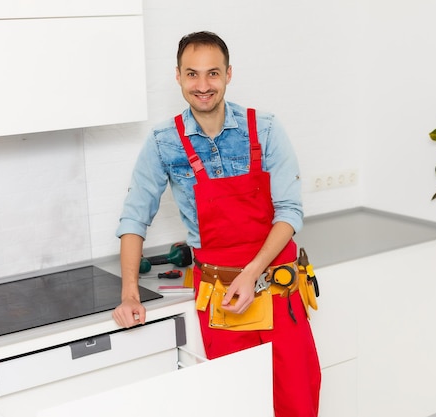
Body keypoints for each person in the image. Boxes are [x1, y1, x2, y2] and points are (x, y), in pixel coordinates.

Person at [112, 31, 321, 417]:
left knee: (296, 403)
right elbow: (134, 218)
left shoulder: (267, 129)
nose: (203, 85)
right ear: (177, 76)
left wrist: (252, 272)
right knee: (238, 404)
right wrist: (129, 293)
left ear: (228, 74)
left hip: (278, 290)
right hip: (221, 300)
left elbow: (290, 212)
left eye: (212, 74)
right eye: (192, 74)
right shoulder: (163, 142)